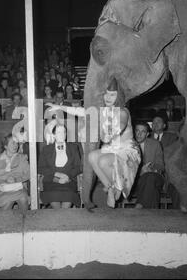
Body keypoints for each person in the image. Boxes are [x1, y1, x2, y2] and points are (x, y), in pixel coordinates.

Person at [46, 79, 141, 208]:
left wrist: (112, 130)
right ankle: (110, 188)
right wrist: (60, 107)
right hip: (112, 149)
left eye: (112, 95)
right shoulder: (101, 111)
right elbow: (80, 111)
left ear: (118, 96)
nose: (108, 97)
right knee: (91, 157)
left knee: (102, 161)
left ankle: (117, 189)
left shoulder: (123, 111)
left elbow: (122, 123)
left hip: (128, 150)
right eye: (106, 94)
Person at [38, 121, 82, 208]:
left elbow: (78, 167)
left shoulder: (73, 148)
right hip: (51, 182)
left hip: (69, 182)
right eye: (59, 132)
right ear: (53, 135)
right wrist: (57, 175)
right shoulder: (46, 149)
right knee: (55, 204)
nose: (62, 134)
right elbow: (40, 168)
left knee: (67, 202)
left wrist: (68, 177)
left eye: (64, 132)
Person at [0, 134, 29, 211]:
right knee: (8, 202)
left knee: (23, 199)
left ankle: (24, 220)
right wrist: (5, 180)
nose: (16, 145)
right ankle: (4, 222)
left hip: (18, 188)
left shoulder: (22, 158)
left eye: (17, 143)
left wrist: (16, 179)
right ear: (5, 146)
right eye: (13, 143)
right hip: (0, 188)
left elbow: (28, 174)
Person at [133, 122, 165, 209]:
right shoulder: (129, 145)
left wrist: (151, 170)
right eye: (137, 131)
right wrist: (140, 172)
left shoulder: (155, 144)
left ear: (147, 134)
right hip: (136, 180)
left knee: (150, 177)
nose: (139, 134)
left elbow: (161, 165)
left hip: (155, 176)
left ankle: (140, 204)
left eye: (143, 132)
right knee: (152, 189)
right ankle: (152, 215)